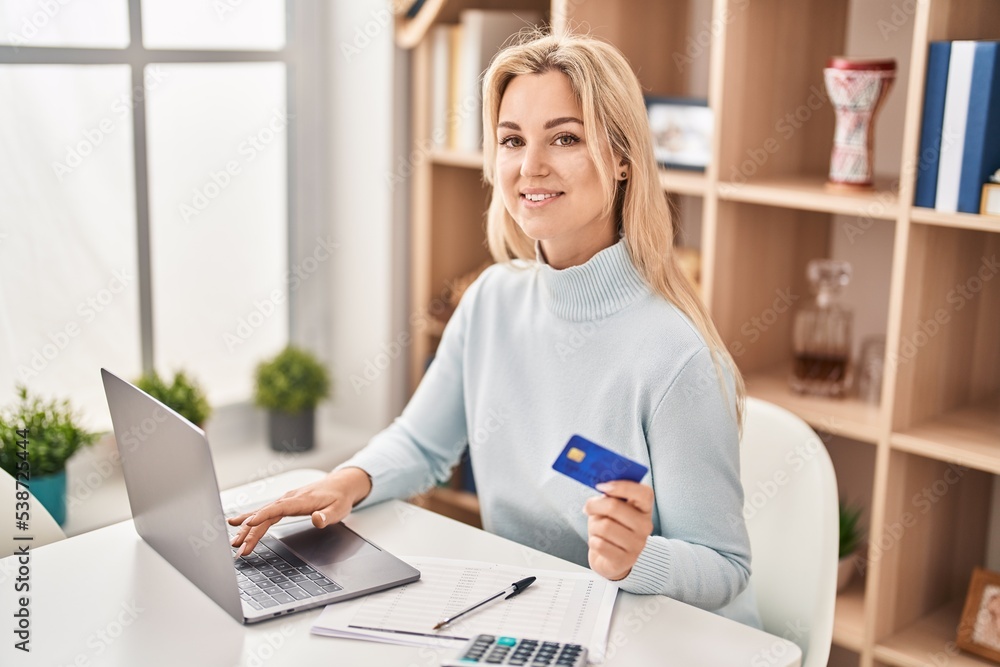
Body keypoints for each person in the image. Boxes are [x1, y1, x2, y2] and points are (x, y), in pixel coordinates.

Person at [230, 30, 760, 627]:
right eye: (512, 140)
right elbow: (424, 443)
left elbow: (725, 569)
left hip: (660, 637)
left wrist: (639, 560)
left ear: (621, 160)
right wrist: (348, 482)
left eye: (564, 137)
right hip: (538, 615)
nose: (530, 166)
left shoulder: (675, 355)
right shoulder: (490, 300)